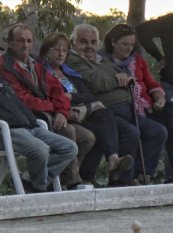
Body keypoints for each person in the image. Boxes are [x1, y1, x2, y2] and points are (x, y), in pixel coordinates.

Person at [66, 23, 167, 185]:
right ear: (73, 43)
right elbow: (96, 83)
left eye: (93, 42)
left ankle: (140, 176)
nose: (89, 46)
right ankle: (121, 182)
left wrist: (123, 79)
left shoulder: (100, 59)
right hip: (104, 110)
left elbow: (126, 75)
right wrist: (117, 80)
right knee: (131, 133)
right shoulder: (73, 59)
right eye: (83, 42)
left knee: (158, 131)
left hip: (127, 108)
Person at [102, 24, 173, 183]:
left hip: (148, 106)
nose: (129, 48)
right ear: (113, 42)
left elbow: (151, 83)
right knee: (162, 129)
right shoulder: (103, 61)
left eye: (131, 44)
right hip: (126, 108)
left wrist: (159, 97)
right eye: (125, 44)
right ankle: (139, 175)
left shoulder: (137, 60)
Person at [0, 24, 93, 189]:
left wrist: (62, 112)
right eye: (21, 41)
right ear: (10, 43)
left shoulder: (36, 66)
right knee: (44, 147)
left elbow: (58, 91)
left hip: (36, 121)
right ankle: (53, 184)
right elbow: (22, 99)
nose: (25, 45)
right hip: (19, 121)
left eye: (29, 41)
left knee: (71, 147)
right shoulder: (5, 66)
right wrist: (51, 107)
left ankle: (34, 182)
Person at [39, 32, 135, 185]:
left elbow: (89, 97)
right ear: (45, 52)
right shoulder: (42, 72)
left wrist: (71, 96)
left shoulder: (68, 73)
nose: (61, 54)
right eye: (56, 50)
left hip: (79, 113)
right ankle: (79, 177)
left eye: (64, 51)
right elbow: (49, 96)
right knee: (95, 129)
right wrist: (67, 100)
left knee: (103, 119)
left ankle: (108, 163)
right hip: (59, 115)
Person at [0, 73, 77, 193]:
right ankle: (39, 187)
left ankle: (30, 180)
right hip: (8, 130)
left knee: (69, 147)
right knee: (41, 150)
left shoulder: (2, 81)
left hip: (30, 126)